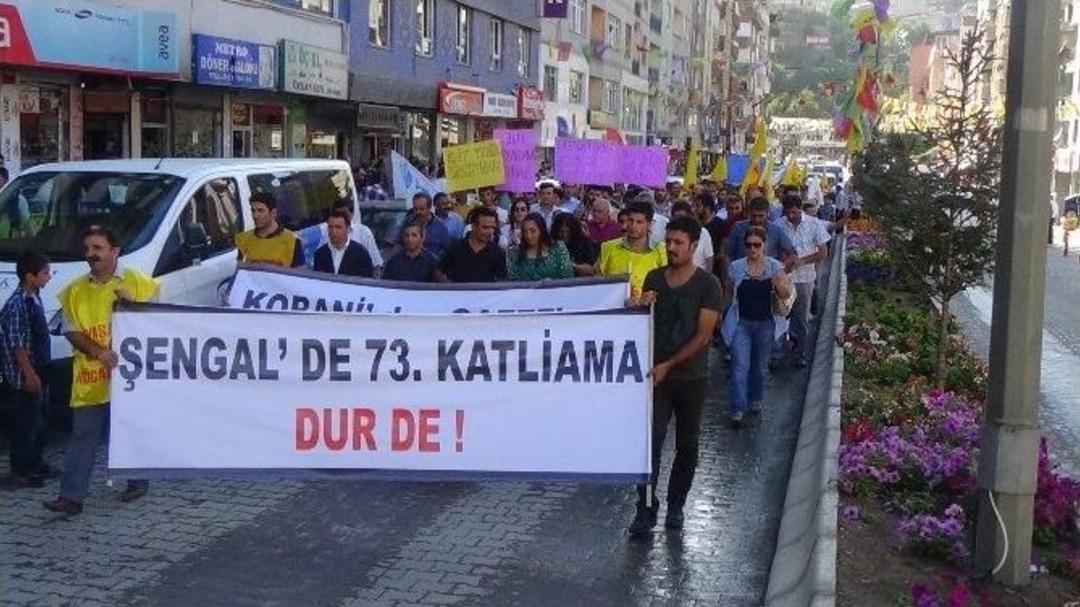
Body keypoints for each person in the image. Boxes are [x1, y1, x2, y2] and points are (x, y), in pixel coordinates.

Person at [44, 226, 159, 515]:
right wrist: (99, 352)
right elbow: (70, 331)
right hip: (91, 377)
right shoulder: (75, 290)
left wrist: (131, 305)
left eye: (97, 248)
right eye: (87, 249)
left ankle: (137, 480)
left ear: (115, 251)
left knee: (130, 429)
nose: (90, 254)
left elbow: (157, 322)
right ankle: (71, 498)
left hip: (129, 376)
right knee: (83, 435)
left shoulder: (137, 282)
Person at [626, 215, 722, 537]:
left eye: (679, 242)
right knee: (648, 445)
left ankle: (676, 506)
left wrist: (669, 364)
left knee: (687, 446)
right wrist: (639, 306)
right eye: (668, 241)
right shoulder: (654, 278)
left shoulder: (708, 285)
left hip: (691, 379)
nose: (671, 248)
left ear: (694, 246)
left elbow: (703, 336)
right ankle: (645, 508)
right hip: (656, 378)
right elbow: (642, 322)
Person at [722, 226, 793, 426]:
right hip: (741, 323)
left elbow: (786, 294)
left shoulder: (774, 267)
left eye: (757, 245)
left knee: (759, 367)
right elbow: (728, 294)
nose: (752, 249)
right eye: (748, 245)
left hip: (765, 324)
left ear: (764, 245)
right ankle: (737, 408)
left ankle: (756, 397)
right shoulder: (736, 267)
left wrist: (777, 283)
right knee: (739, 366)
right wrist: (721, 315)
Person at [1, 250, 52, 488]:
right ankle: (20, 471)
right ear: (30, 277)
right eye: (45, 273)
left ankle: (36, 464)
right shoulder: (17, 305)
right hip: (24, 375)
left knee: (39, 421)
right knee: (25, 423)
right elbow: (17, 345)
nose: (49, 277)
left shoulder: (35, 297)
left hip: (40, 368)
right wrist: (29, 374)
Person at [778, 193, 831, 368]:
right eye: (788, 212)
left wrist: (802, 261)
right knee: (780, 317)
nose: (791, 216)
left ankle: (799, 354)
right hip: (783, 279)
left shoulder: (814, 224)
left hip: (804, 279)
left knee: (800, 319)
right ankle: (778, 352)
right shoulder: (778, 225)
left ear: (800, 209)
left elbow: (823, 253)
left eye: (794, 212)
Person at [596, 201, 667, 297]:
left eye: (639, 222)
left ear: (649, 225)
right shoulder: (608, 248)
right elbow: (597, 283)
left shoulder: (662, 251)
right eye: (630, 220)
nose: (633, 226)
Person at [436, 207, 507, 282]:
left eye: (493, 227)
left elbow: (502, 278)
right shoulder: (455, 248)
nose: (490, 232)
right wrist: (447, 284)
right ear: (474, 227)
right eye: (485, 227)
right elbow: (439, 270)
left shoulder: (497, 252)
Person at [234, 193, 305, 268]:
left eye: (260, 210)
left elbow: (300, 273)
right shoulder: (244, 240)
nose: (255, 215)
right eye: (253, 211)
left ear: (273, 213)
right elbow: (240, 270)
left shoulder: (291, 240)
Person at [506, 213, 574, 281]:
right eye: (525, 231)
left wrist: (552, 282)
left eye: (533, 231)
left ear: (541, 230)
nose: (528, 236)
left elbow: (567, 275)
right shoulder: (515, 253)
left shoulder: (558, 247)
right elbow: (513, 280)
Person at [323, 197, 384, 273]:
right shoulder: (328, 232)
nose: (340, 216)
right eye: (337, 213)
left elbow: (376, 264)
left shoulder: (363, 232)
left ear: (351, 214)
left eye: (344, 213)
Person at [727, 197, 797, 262]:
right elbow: (728, 253)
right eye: (754, 216)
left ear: (767, 214)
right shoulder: (738, 228)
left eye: (761, 216)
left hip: (769, 269)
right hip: (742, 268)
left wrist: (782, 267)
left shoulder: (776, 230)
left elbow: (792, 253)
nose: (757, 220)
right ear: (749, 213)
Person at [313, 209, 374, 278]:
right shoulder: (320, 254)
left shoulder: (361, 253)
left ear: (348, 229)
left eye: (338, 227)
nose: (333, 231)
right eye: (330, 227)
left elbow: (368, 280)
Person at [399, 193, 451, 259]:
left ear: (429, 208)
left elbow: (447, 251)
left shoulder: (441, 227)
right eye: (415, 209)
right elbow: (399, 244)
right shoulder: (407, 222)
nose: (418, 212)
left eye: (421, 209)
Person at [671, 201, 713, 272]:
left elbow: (709, 259)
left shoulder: (703, 233)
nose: (679, 221)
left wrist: (707, 277)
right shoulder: (670, 235)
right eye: (676, 218)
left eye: (682, 218)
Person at [552, 212, 597, 276]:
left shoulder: (584, 242)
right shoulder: (552, 243)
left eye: (568, 232)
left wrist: (572, 265)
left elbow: (591, 270)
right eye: (561, 232)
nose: (564, 235)